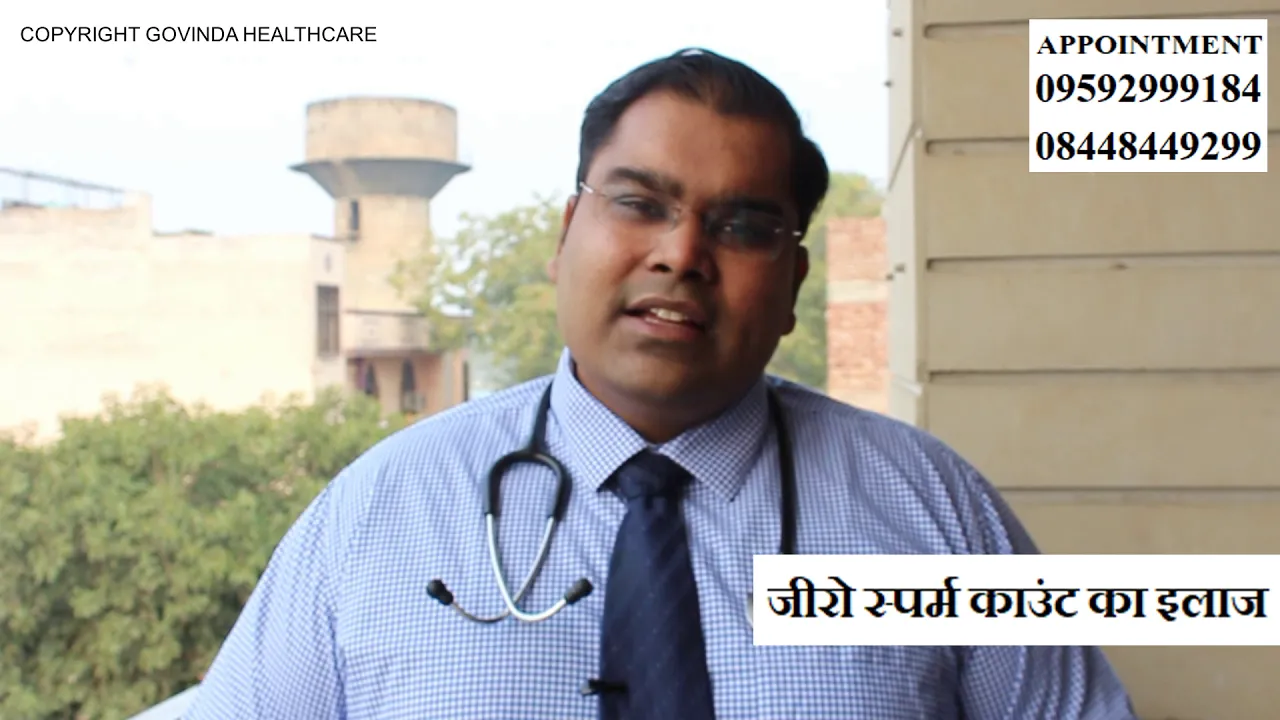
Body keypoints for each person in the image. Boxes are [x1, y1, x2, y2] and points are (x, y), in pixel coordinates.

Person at [185, 48, 1138, 720]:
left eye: (742, 227)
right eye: (640, 203)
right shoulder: (380, 513)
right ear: (567, 236)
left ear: (793, 284)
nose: (681, 255)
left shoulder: (935, 511)